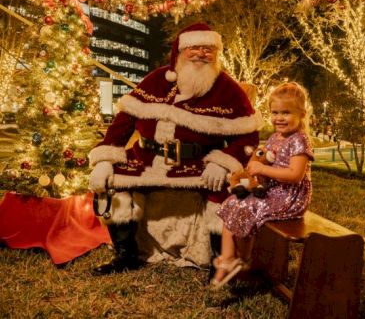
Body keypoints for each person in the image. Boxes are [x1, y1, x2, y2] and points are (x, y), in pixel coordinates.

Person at [88, 23, 262, 274]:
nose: (202, 54)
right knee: (114, 182)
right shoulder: (156, 79)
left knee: (224, 191)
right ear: (180, 51)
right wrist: (105, 157)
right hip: (145, 159)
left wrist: (223, 161)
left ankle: (217, 260)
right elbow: (122, 123)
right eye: (195, 48)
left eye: (209, 49)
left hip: (197, 164)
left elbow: (249, 137)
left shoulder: (228, 88)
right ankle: (126, 255)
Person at [211, 82, 314, 288]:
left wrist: (264, 171)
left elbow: (295, 175)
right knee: (232, 202)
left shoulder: (299, 140)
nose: (279, 118)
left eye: (286, 113)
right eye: (275, 112)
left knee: (246, 207)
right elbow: (262, 159)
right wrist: (254, 166)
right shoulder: (275, 137)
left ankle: (246, 259)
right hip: (273, 190)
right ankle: (230, 257)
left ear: (301, 114)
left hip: (290, 196)